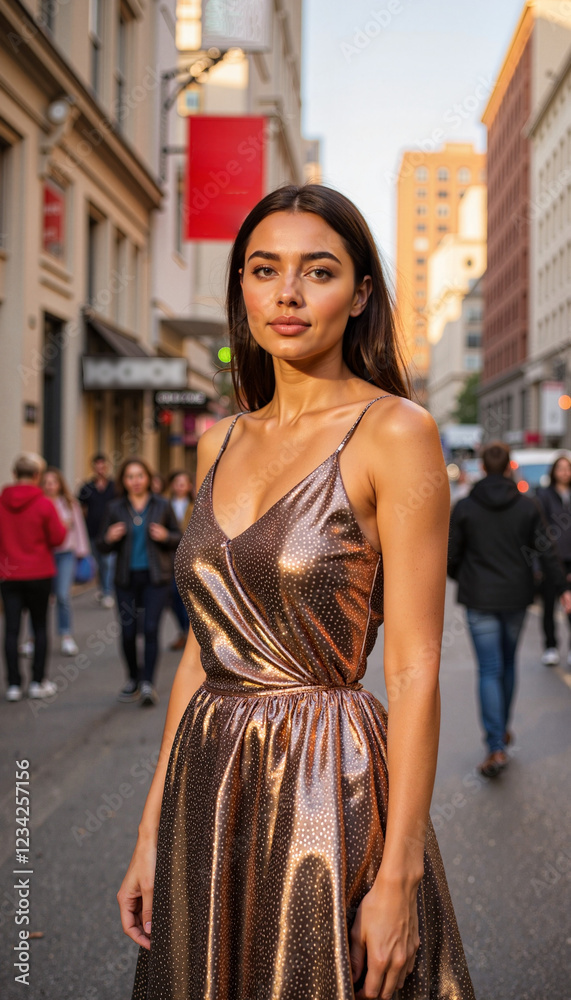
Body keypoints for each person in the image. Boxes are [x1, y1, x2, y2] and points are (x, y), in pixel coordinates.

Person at [118, 185, 476, 1000]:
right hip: (205, 780)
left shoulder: (396, 432)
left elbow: (416, 669)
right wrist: (148, 830)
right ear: (240, 290)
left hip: (327, 783)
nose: (286, 293)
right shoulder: (217, 441)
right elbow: (196, 657)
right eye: (263, 269)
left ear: (358, 297)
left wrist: (398, 876)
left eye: (317, 271)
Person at [448, 441, 571, 778]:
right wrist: (562, 588)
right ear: (510, 467)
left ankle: (495, 744)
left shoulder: (465, 507)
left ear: (483, 468)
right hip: (516, 596)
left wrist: (464, 577)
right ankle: (501, 729)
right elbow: (545, 550)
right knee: (507, 664)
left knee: (489, 668)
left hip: (479, 597)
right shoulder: (527, 506)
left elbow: (451, 556)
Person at [97, 458, 181, 707]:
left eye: (140, 475)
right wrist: (110, 537)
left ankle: (148, 684)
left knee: (152, 629)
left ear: (148, 478)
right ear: (123, 481)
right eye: (130, 476)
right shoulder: (115, 508)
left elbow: (179, 537)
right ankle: (133, 678)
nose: (135, 481)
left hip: (156, 578)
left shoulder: (162, 505)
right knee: (128, 633)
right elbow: (101, 545)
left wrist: (166, 536)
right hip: (126, 579)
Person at [0, 453, 66, 701]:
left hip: (9, 574)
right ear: (37, 476)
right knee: (39, 627)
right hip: (39, 572)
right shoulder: (44, 504)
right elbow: (58, 538)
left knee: (11, 630)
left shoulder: (1, 502)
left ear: (15, 474)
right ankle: (38, 681)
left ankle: (14, 685)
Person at [42, 467, 91, 656]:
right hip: (45, 554)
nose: (50, 486)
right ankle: (32, 639)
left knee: (63, 595)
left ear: (60, 484)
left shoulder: (70, 504)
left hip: (66, 554)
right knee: (40, 599)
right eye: (46, 482)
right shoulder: (40, 503)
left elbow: (79, 528)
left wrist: (82, 552)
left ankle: (66, 636)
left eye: (53, 482)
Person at [536, 453, 571, 666]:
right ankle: (551, 646)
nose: (565, 472)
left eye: (568, 468)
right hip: (551, 560)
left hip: (570, 559)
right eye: (561, 468)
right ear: (553, 472)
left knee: (570, 607)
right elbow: (540, 531)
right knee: (549, 606)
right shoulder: (544, 495)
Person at [78, 454, 116, 608]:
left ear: (106, 467)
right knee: (99, 563)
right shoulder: (87, 488)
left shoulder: (114, 486)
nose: (100, 469)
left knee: (108, 563)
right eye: (97, 466)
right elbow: (81, 508)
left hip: (109, 533)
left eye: (103, 466)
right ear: (93, 467)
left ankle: (108, 593)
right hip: (92, 532)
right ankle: (102, 589)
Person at [166, 470, 194, 651]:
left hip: (188, 558)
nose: (180, 486)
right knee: (172, 597)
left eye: (184, 482)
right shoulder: (165, 505)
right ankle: (184, 631)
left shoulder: (196, 505)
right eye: (177, 482)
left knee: (186, 597)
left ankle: (188, 634)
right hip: (168, 557)